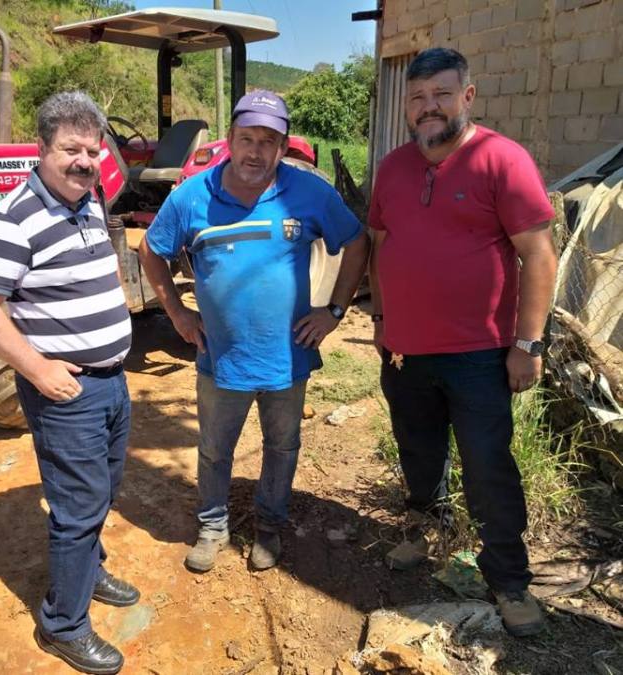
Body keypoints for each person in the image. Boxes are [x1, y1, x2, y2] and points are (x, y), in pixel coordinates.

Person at [368, 48, 558, 637]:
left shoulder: (502, 159)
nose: (429, 107)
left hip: (480, 354)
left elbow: (539, 255)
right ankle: (425, 529)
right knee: (418, 449)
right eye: (418, 98)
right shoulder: (393, 168)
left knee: (487, 465)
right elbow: (379, 246)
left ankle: (509, 579)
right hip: (406, 351)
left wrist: (528, 344)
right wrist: (380, 319)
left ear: (467, 97)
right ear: (407, 106)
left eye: (442, 95)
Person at [139, 90, 370, 574]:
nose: (256, 151)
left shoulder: (307, 193)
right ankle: (212, 527)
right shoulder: (191, 197)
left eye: (268, 141)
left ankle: (269, 525)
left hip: (288, 355)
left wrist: (334, 311)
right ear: (230, 139)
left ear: (283, 147)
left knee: (282, 447)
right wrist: (177, 313)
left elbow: (356, 241)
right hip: (220, 357)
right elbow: (151, 250)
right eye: (247, 139)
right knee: (214, 450)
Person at [0, 91, 135, 675]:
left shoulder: (90, 198)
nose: (84, 161)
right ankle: (63, 625)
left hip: (111, 382)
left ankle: (89, 571)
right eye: (70, 149)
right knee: (78, 507)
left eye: (93, 149)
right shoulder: (15, 216)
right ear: (42, 148)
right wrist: (37, 369)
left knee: (103, 491)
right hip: (68, 394)